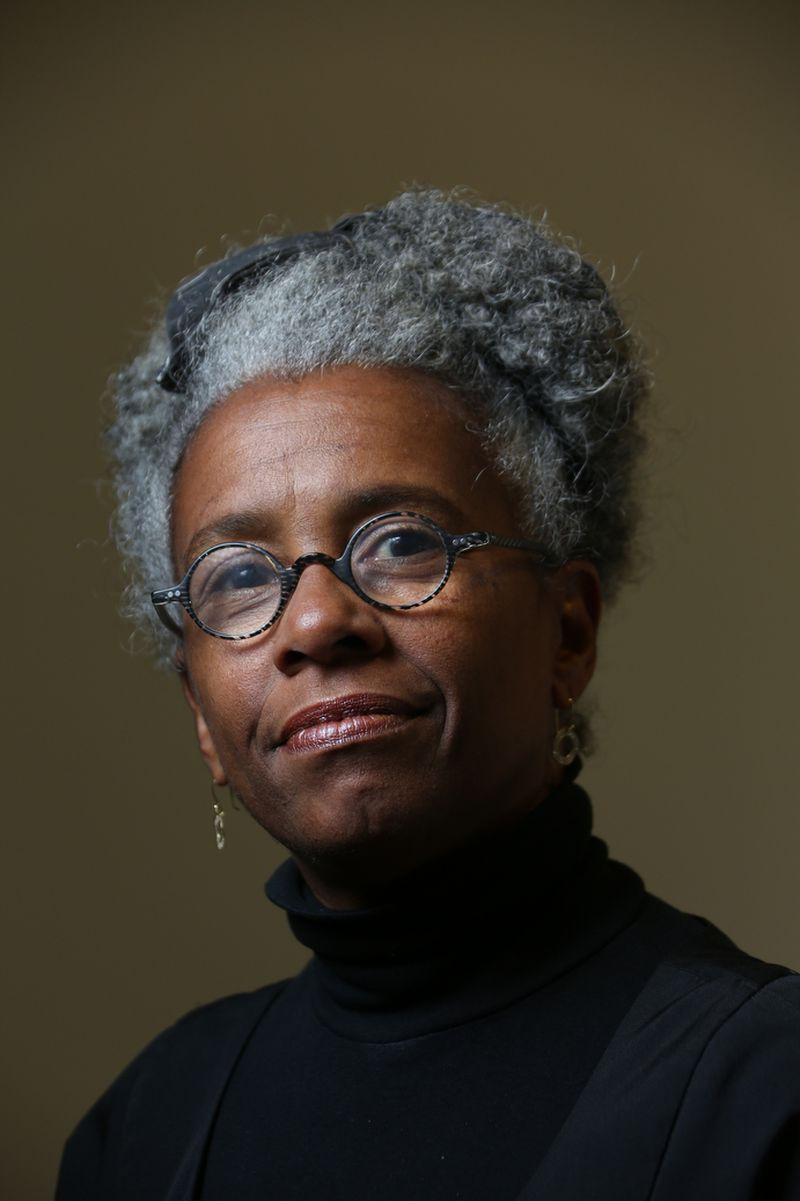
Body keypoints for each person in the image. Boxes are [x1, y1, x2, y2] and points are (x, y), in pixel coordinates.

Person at [57, 191, 800, 1200]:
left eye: (403, 541)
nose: (315, 622)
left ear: (568, 633)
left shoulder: (767, 1090)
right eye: (238, 575)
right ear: (202, 717)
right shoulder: (145, 1128)